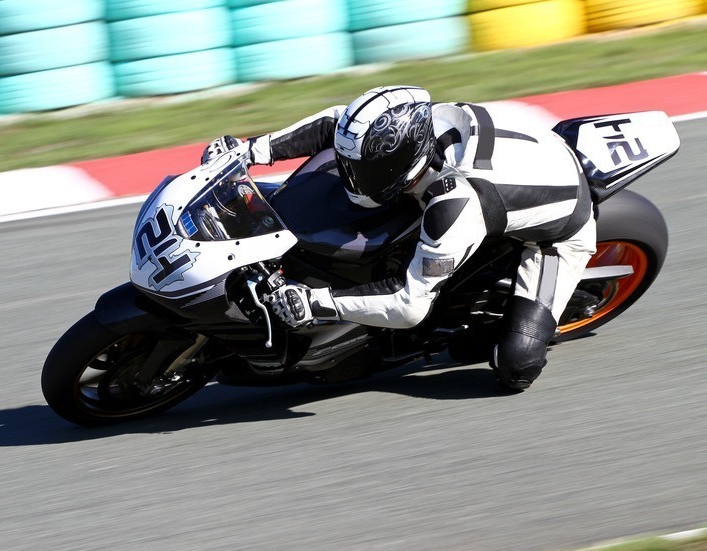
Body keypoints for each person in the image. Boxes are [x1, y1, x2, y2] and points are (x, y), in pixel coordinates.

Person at [203, 86, 596, 391]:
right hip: (517, 159)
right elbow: (336, 125)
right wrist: (248, 150)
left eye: (359, 170)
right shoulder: (410, 127)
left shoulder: (455, 206)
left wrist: (315, 302)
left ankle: (496, 331)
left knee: (516, 366)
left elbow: (409, 305)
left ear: (400, 168)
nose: (347, 175)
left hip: (557, 231)